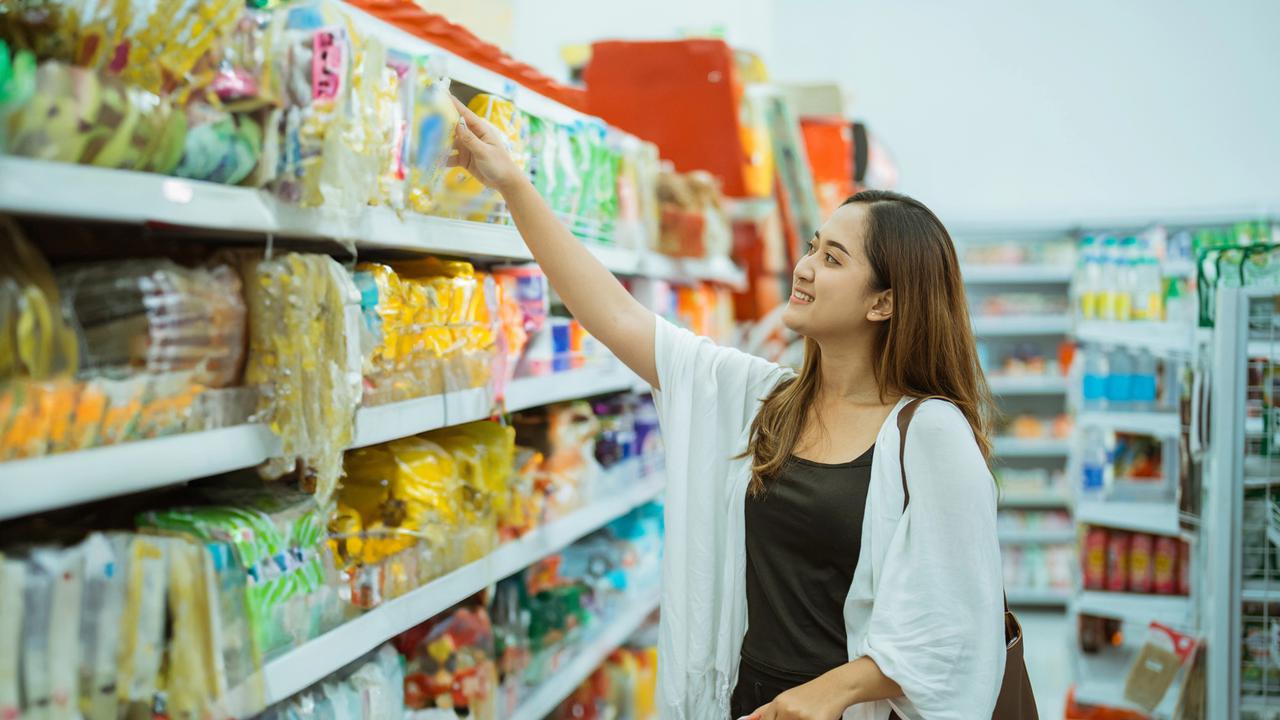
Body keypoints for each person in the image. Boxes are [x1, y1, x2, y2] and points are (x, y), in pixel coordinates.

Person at [449, 98, 1006, 720]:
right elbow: (614, 315)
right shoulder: (762, 401)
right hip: (745, 703)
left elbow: (956, 626)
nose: (804, 268)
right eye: (813, 247)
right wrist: (513, 183)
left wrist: (835, 690)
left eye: (832, 259)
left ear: (884, 303)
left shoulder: (931, 433)